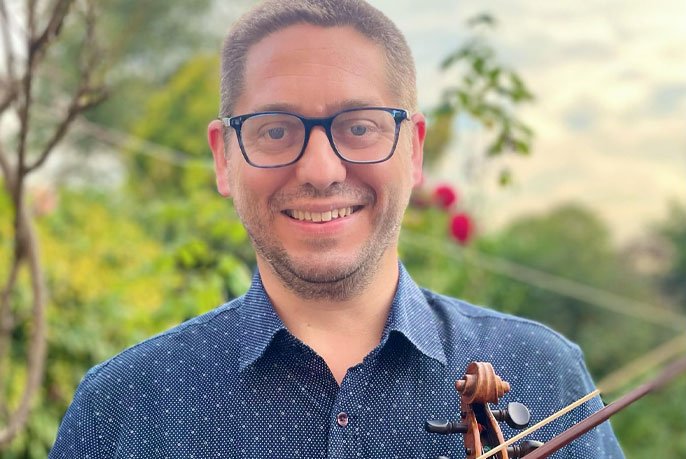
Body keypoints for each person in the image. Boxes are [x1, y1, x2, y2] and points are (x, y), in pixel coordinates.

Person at [50, 1, 624, 457]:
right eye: (275, 130)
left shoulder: (545, 374)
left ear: (414, 150)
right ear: (224, 157)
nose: (320, 170)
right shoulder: (120, 410)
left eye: (360, 127)